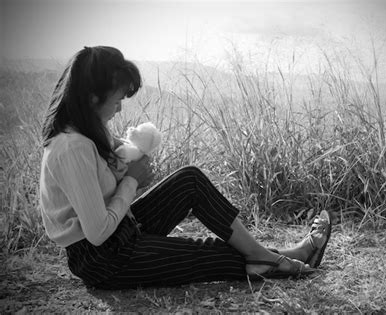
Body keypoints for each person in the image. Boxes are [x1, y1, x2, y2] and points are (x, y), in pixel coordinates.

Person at [39, 46, 332, 289]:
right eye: (117, 99)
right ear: (92, 98)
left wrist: (130, 159)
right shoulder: (71, 147)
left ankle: (263, 255)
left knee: (189, 179)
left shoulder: (93, 130)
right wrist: (131, 180)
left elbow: (114, 173)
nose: (119, 108)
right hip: (104, 259)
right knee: (202, 254)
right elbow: (98, 232)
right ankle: (282, 257)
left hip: (124, 229)